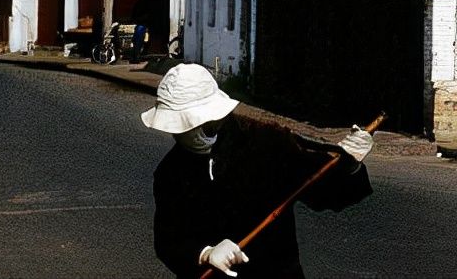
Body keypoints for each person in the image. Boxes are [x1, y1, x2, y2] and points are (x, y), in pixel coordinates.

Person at [142, 64, 374, 278]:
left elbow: (325, 193)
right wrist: (205, 253)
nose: (183, 134)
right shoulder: (170, 172)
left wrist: (350, 165)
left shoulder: (266, 143)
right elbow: (168, 242)